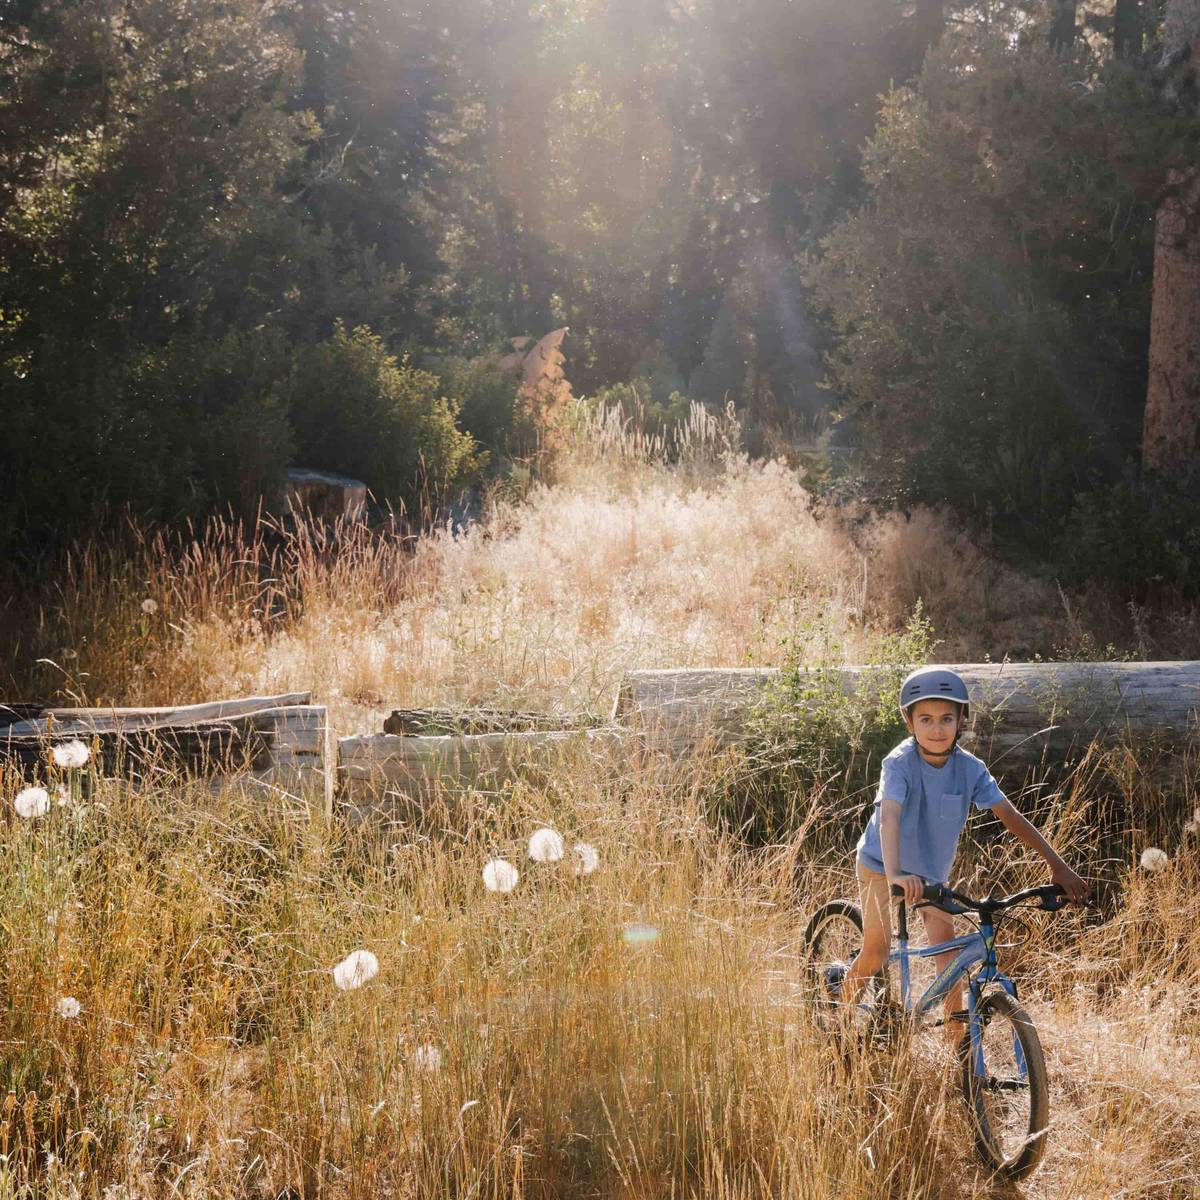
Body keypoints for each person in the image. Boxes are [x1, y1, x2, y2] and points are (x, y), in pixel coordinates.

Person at [838, 666, 1089, 1031]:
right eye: (925, 719)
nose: (936, 729)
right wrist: (895, 873)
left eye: (946, 719)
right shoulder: (898, 764)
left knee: (951, 958)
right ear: (909, 722)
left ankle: (958, 1050)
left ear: (961, 721)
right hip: (881, 864)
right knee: (876, 951)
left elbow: (1010, 815)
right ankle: (838, 1025)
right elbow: (889, 816)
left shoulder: (970, 769)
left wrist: (1057, 864)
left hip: (930, 874)